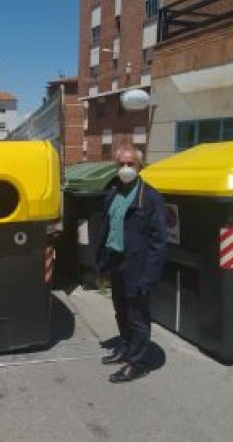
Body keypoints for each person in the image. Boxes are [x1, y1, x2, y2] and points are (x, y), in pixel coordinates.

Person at [97, 145, 167, 383]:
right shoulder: (114, 193)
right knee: (121, 310)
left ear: (140, 166)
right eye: (121, 164)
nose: (125, 169)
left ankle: (137, 362)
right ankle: (125, 348)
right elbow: (107, 228)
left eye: (130, 164)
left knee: (137, 315)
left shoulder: (149, 197)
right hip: (117, 262)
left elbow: (159, 243)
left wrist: (149, 278)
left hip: (138, 266)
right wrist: (103, 261)